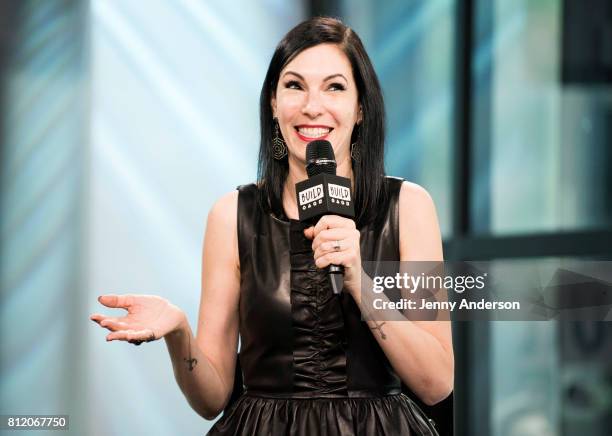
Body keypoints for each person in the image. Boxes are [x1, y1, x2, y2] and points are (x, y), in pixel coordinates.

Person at [90, 17, 453, 435]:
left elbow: (436, 383)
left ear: (360, 109)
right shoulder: (232, 214)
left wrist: (359, 279)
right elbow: (210, 400)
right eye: (294, 85)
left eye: (334, 87)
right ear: (273, 104)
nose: (312, 106)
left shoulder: (409, 207)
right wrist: (179, 333)